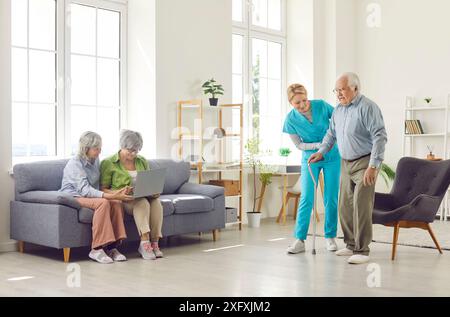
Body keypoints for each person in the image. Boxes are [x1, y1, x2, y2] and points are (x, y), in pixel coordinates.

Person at [309, 73, 387, 265]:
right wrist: (321, 151)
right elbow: (331, 134)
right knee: (344, 205)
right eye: (336, 90)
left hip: (365, 162)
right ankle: (351, 244)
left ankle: (362, 249)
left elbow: (380, 136)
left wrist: (373, 165)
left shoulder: (368, 107)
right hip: (345, 162)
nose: (338, 93)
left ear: (355, 89)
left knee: (361, 204)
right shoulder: (338, 110)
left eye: (342, 89)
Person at [283, 84, 341, 254]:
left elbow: (339, 117)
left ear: (307, 97)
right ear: (290, 103)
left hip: (332, 156)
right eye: (297, 103)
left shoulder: (321, 106)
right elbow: (299, 144)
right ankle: (299, 240)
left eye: (304, 100)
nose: (302, 105)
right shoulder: (290, 120)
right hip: (310, 159)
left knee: (330, 198)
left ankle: (330, 236)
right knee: (307, 198)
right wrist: (318, 145)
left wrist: (335, 139)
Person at [60, 131, 133, 264]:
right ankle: (96, 248)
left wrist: (116, 193)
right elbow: (85, 190)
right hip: (74, 196)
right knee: (103, 203)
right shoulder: (75, 164)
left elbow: (97, 185)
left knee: (116, 202)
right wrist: (110, 196)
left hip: (88, 195)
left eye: (100, 147)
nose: (99, 151)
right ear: (85, 148)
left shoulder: (95, 160)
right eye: (96, 148)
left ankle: (112, 247)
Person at [101, 130, 164, 260]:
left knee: (156, 203)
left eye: (136, 150)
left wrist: (154, 191)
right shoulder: (109, 162)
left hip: (143, 195)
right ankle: (144, 243)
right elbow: (103, 189)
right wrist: (120, 192)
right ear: (122, 146)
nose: (133, 154)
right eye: (130, 150)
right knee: (142, 203)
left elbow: (148, 181)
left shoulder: (142, 161)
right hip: (124, 200)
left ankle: (155, 243)